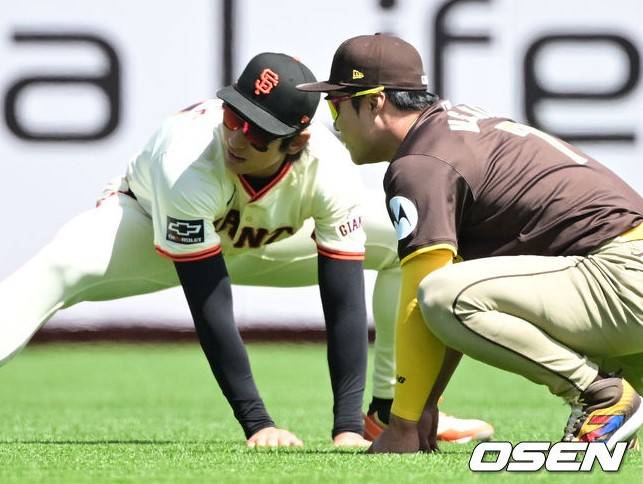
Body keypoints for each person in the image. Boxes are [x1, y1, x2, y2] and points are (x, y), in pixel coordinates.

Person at [0, 52, 491, 448]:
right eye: (234, 116)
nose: (237, 137)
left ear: (296, 142)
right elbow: (209, 305)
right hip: (148, 226)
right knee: (57, 267)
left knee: (409, 242)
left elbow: (342, 300)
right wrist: (258, 423)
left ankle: (384, 411)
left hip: (271, 238)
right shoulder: (187, 162)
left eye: (257, 131)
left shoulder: (328, 167)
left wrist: (345, 426)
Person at [298, 33, 643, 453]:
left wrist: (405, 423)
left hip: (619, 277)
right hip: (619, 279)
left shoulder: (420, 164)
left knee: (440, 293)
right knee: (449, 291)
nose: (333, 122)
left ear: (375, 103)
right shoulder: (450, 130)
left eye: (336, 104)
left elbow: (427, 300)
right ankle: (616, 408)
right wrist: (422, 407)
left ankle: (601, 396)